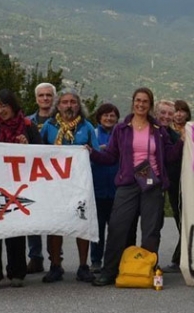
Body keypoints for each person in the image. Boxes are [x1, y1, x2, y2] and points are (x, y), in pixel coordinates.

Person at [91, 87, 184, 286]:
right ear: (133, 102)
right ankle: (109, 271)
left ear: (150, 105)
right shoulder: (121, 128)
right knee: (117, 227)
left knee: (151, 230)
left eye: (145, 102)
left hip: (152, 180)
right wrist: (91, 153)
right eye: (138, 100)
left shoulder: (157, 129)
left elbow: (168, 155)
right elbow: (110, 157)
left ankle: (146, 270)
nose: (141, 104)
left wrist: (182, 142)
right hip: (127, 182)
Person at [0, 89, 42, 289]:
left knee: (15, 228)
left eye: (3, 105)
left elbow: (41, 151)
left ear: (13, 106)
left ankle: (17, 272)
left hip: (19, 183)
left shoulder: (27, 125)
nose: (0, 110)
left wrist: (28, 145)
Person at [40, 88, 99, 283]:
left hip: (80, 184)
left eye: (73, 102)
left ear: (79, 105)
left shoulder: (87, 127)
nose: (69, 106)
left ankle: (83, 266)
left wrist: (89, 152)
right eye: (65, 102)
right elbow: (37, 153)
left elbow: (97, 153)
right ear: (58, 105)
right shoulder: (49, 126)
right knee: (55, 226)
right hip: (55, 185)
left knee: (82, 222)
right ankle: (55, 265)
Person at [25, 82, 57, 274]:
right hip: (32, 176)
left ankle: (55, 258)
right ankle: (35, 257)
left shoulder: (60, 121)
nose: (45, 99)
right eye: (41, 96)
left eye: (48, 95)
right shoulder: (27, 121)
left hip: (54, 178)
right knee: (32, 216)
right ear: (36, 99)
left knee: (54, 218)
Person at [89, 102, 120, 274]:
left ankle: (113, 260)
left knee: (116, 229)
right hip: (97, 188)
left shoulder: (122, 134)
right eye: (105, 115)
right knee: (98, 228)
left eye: (112, 115)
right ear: (99, 117)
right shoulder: (92, 134)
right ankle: (95, 260)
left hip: (117, 189)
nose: (109, 118)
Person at [163, 100, 190, 273]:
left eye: (183, 111)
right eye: (177, 111)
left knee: (186, 221)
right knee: (179, 219)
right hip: (171, 182)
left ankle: (179, 258)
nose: (179, 114)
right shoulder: (167, 132)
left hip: (188, 181)